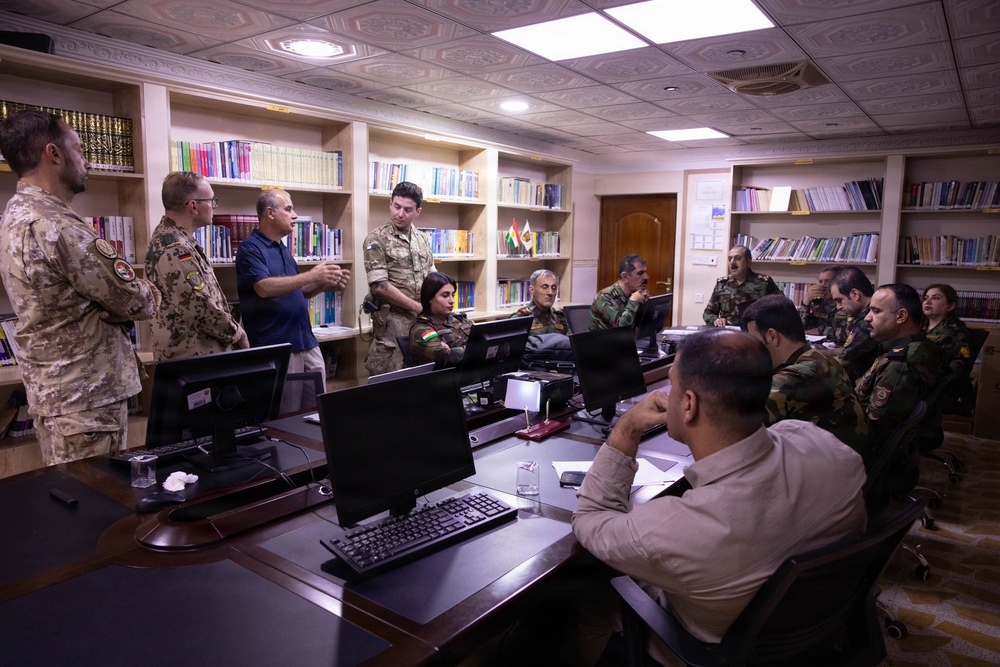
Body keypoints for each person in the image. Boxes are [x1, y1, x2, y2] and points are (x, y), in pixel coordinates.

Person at [571, 328, 866, 664]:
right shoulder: (826, 447)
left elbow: (590, 519)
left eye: (672, 385)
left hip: (700, 652)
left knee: (594, 600)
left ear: (689, 404)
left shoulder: (678, 528)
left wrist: (626, 428)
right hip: (810, 635)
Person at [0, 110, 160, 464]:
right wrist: (143, 295)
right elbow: (137, 300)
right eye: (79, 149)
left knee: (74, 494)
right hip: (86, 401)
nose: (87, 161)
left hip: (60, 395)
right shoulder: (59, 226)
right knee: (97, 496)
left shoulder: (15, 213)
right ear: (54, 153)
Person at [235, 189, 349, 414]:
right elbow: (263, 287)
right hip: (279, 346)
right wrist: (311, 275)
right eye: (288, 209)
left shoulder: (283, 249)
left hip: (306, 341)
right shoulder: (250, 249)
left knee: (316, 414)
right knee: (286, 417)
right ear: (270, 213)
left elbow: (298, 291)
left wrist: (323, 283)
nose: (295, 215)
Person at [742, 294, 869, 458]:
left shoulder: (799, 376)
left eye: (754, 341)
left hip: (830, 468)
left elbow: (736, 419)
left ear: (772, 336)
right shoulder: (819, 358)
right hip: (843, 462)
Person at [145, 171, 248, 360]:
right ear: (193, 206)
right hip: (190, 360)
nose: (214, 206)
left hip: (200, 356)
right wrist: (236, 333)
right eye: (211, 201)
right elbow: (198, 306)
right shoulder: (174, 247)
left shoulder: (180, 240)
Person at [856, 283, 942, 450]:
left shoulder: (900, 364)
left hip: (865, 445)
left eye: (876, 311)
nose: (867, 318)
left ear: (901, 316)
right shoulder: (914, 347)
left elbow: (876, 427)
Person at [363, 181, 435, 376]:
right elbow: (379, 286)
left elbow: (432, 277)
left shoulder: (422, 239)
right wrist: (418, 308)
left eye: (407, 209)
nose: (400, 214)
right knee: (390, 383)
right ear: (390, 204)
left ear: (418, 211)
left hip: (421, 325)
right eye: (396, 207)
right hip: (392, 328)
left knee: (421, 378)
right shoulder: (376, 239)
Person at [702, 245, 781, 326]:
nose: (732, 262)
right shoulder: (722, 284)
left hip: (754, 331)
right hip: (728, 330)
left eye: (737, 258)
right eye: (730, 259)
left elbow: (780, 309)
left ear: (748, 262)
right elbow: (708, 313)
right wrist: (716, 320)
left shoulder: (764, 283)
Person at [408, 272, 472, 368]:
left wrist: (455, 350)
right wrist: (475, 348)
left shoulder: (459, 319)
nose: (452, 301)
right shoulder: (421, 329)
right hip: (444, 376)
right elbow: (448, 358)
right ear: (430, 298)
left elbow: (484, 341)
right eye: (445, 295)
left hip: (472, 372)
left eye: (453, 295)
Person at [831, 266, 879, 383]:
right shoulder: (865, 314)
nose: (838, 307)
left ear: (855, 294)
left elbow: (842, 361)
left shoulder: (867, 320)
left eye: (839, 300)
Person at [588, 254, 648, 330]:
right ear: (625, 277)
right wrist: (633, 302)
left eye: (645, 272)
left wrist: (649, 305)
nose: (646, 277)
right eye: (640, 273)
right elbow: (621, 328)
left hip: (626, 338)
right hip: (604, 338)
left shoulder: (635, 295)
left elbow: (648, 325)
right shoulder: (605, 296)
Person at [800, 264, 849, 344]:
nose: (823, 286)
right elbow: (800, 328)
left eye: (828, 281)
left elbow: (848, 333)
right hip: (816, 345)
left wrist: (821, 330)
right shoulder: (817, 303)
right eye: (820, 282)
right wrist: (805, 303)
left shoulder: (846, 303)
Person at [510, 268, 568, 334]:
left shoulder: (559, 316)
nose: (550, 292)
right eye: (544, 287)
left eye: (554, 288)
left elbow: (568, 339)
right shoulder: (521, 318)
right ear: (532, 290)